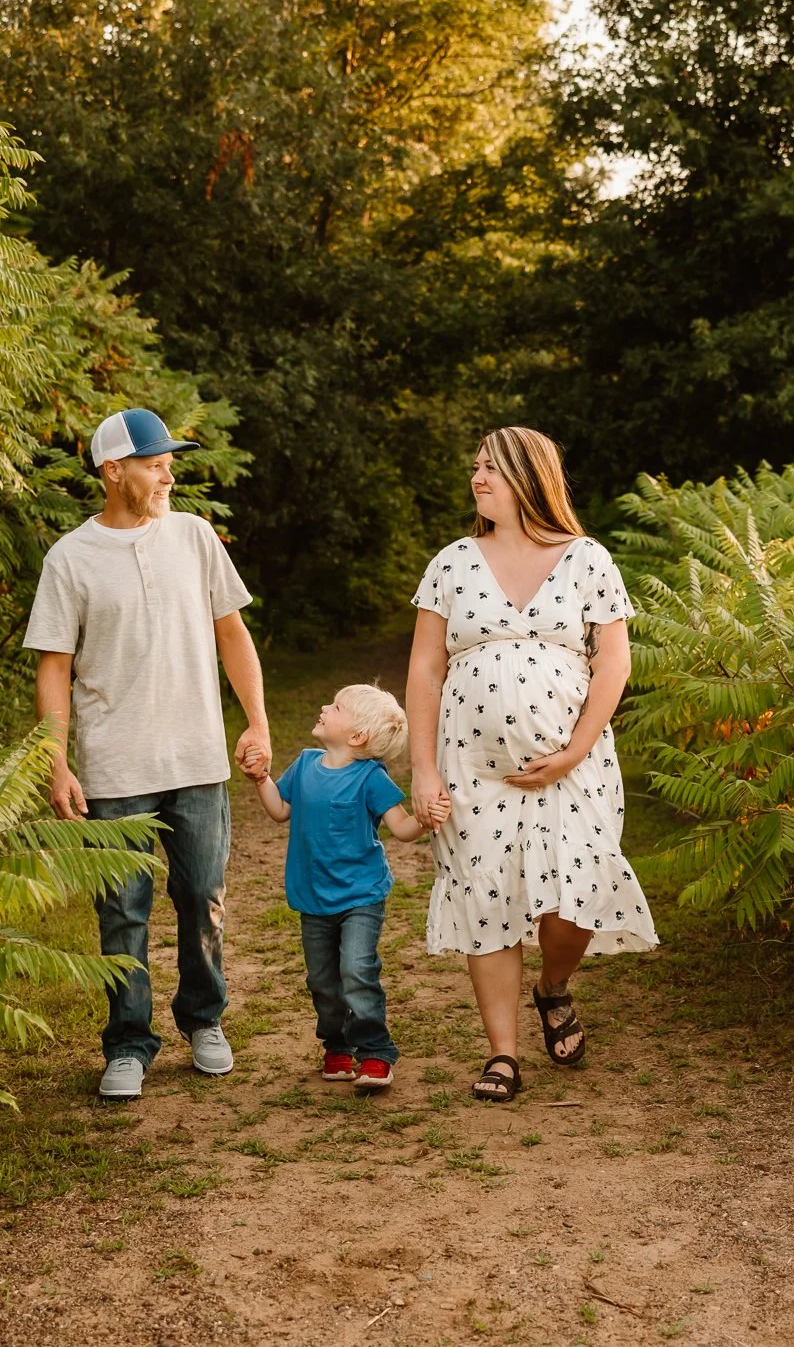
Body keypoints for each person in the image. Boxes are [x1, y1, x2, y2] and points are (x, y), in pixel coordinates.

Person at [25, 407, 272, 1101]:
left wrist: (257, 721)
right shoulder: (70, 559)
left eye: (170, 460)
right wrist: (57, 761)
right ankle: (128, 1043)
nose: (169, 471)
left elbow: (233, 635)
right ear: (113, 470)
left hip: (197, 759)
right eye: (155, 461)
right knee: (123, 913)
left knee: (202, 897)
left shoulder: (194, 537)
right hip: (115, 767)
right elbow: (52, 667)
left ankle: (204, 1020)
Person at [406, 426, 657, 1102]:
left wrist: (573, 749)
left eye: (492, 468)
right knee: (486, 899)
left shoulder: (587, 559)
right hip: (472, 767)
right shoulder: (452, 562)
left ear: (529, 477)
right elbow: (426, 670)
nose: (478, 478)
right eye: (476, 467)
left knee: (574, 901)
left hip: (573, 763)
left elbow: (615, 660)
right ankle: (502, 1053)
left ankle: (554, 986)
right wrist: (423, 768)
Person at [245, 685, 446, 1091]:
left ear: (357, 737)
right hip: (313, 896)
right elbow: (280, 810)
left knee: (356, 970)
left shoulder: (371, 777)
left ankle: (375, 1052)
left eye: (335, 707)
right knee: (322, 979)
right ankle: (336, 1045)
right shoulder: (304, 764)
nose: (324, 706)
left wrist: (427, 817)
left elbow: (403, 828)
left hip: (361, 896)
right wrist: (261, 778)